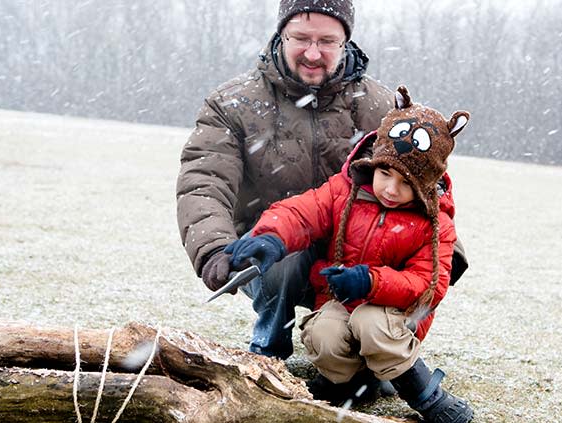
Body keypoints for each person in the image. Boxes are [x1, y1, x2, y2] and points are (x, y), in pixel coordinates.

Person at [177, 0, 468, 361]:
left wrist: (446, 251)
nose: (313, 53)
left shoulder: (382, 108)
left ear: (345, 41)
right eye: (300, 37)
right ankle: (268, 350)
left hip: (357, 254)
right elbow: (204, 179)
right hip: (271, 251)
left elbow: (425, 175)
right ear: (281, 35)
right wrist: (213, 247)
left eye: (327, 41)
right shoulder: (232, 104)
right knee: (283, 257)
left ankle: (371, 360)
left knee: (387, 306)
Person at [224, 86, 474, 422]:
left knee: (370, 323)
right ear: (374, 161)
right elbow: (303, 211)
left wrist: (370, 281)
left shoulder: (435, 224)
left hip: (394, 314)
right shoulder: (348, 190)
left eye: (406, 182)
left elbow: (429, 284)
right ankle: (350, 383)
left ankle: (426, 395)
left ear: (426, 183)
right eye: (385, 173)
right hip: (340, 302)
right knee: (323, 332)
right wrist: (270, 237)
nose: (390, 189)